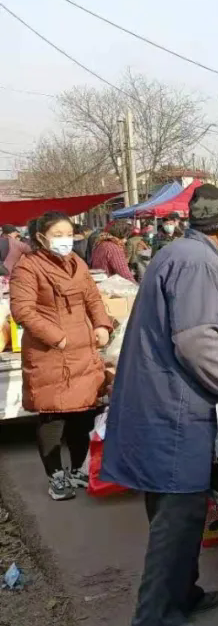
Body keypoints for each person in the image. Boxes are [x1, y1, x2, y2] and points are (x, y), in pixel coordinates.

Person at [101, 184, 218, 626]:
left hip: (163, 399)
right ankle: (152, 620)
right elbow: (194, 341)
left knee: (178, 510)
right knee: (178, 512)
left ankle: (182, 594)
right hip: (172, 407)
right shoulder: (196, 261)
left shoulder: (184, 252)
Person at [10, 211, 112, 501]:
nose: (65, 240)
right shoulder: (27, 267)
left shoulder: (77, 263)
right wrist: (58, 337)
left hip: (84, 351)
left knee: (83, 414)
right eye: (57, 235)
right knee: (53, 415)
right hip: (49, 352)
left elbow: (93, 298)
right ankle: (56, 476)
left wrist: (103, 325)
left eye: (68, 234)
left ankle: (78, 469)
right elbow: (23, 311)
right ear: (41, 237)